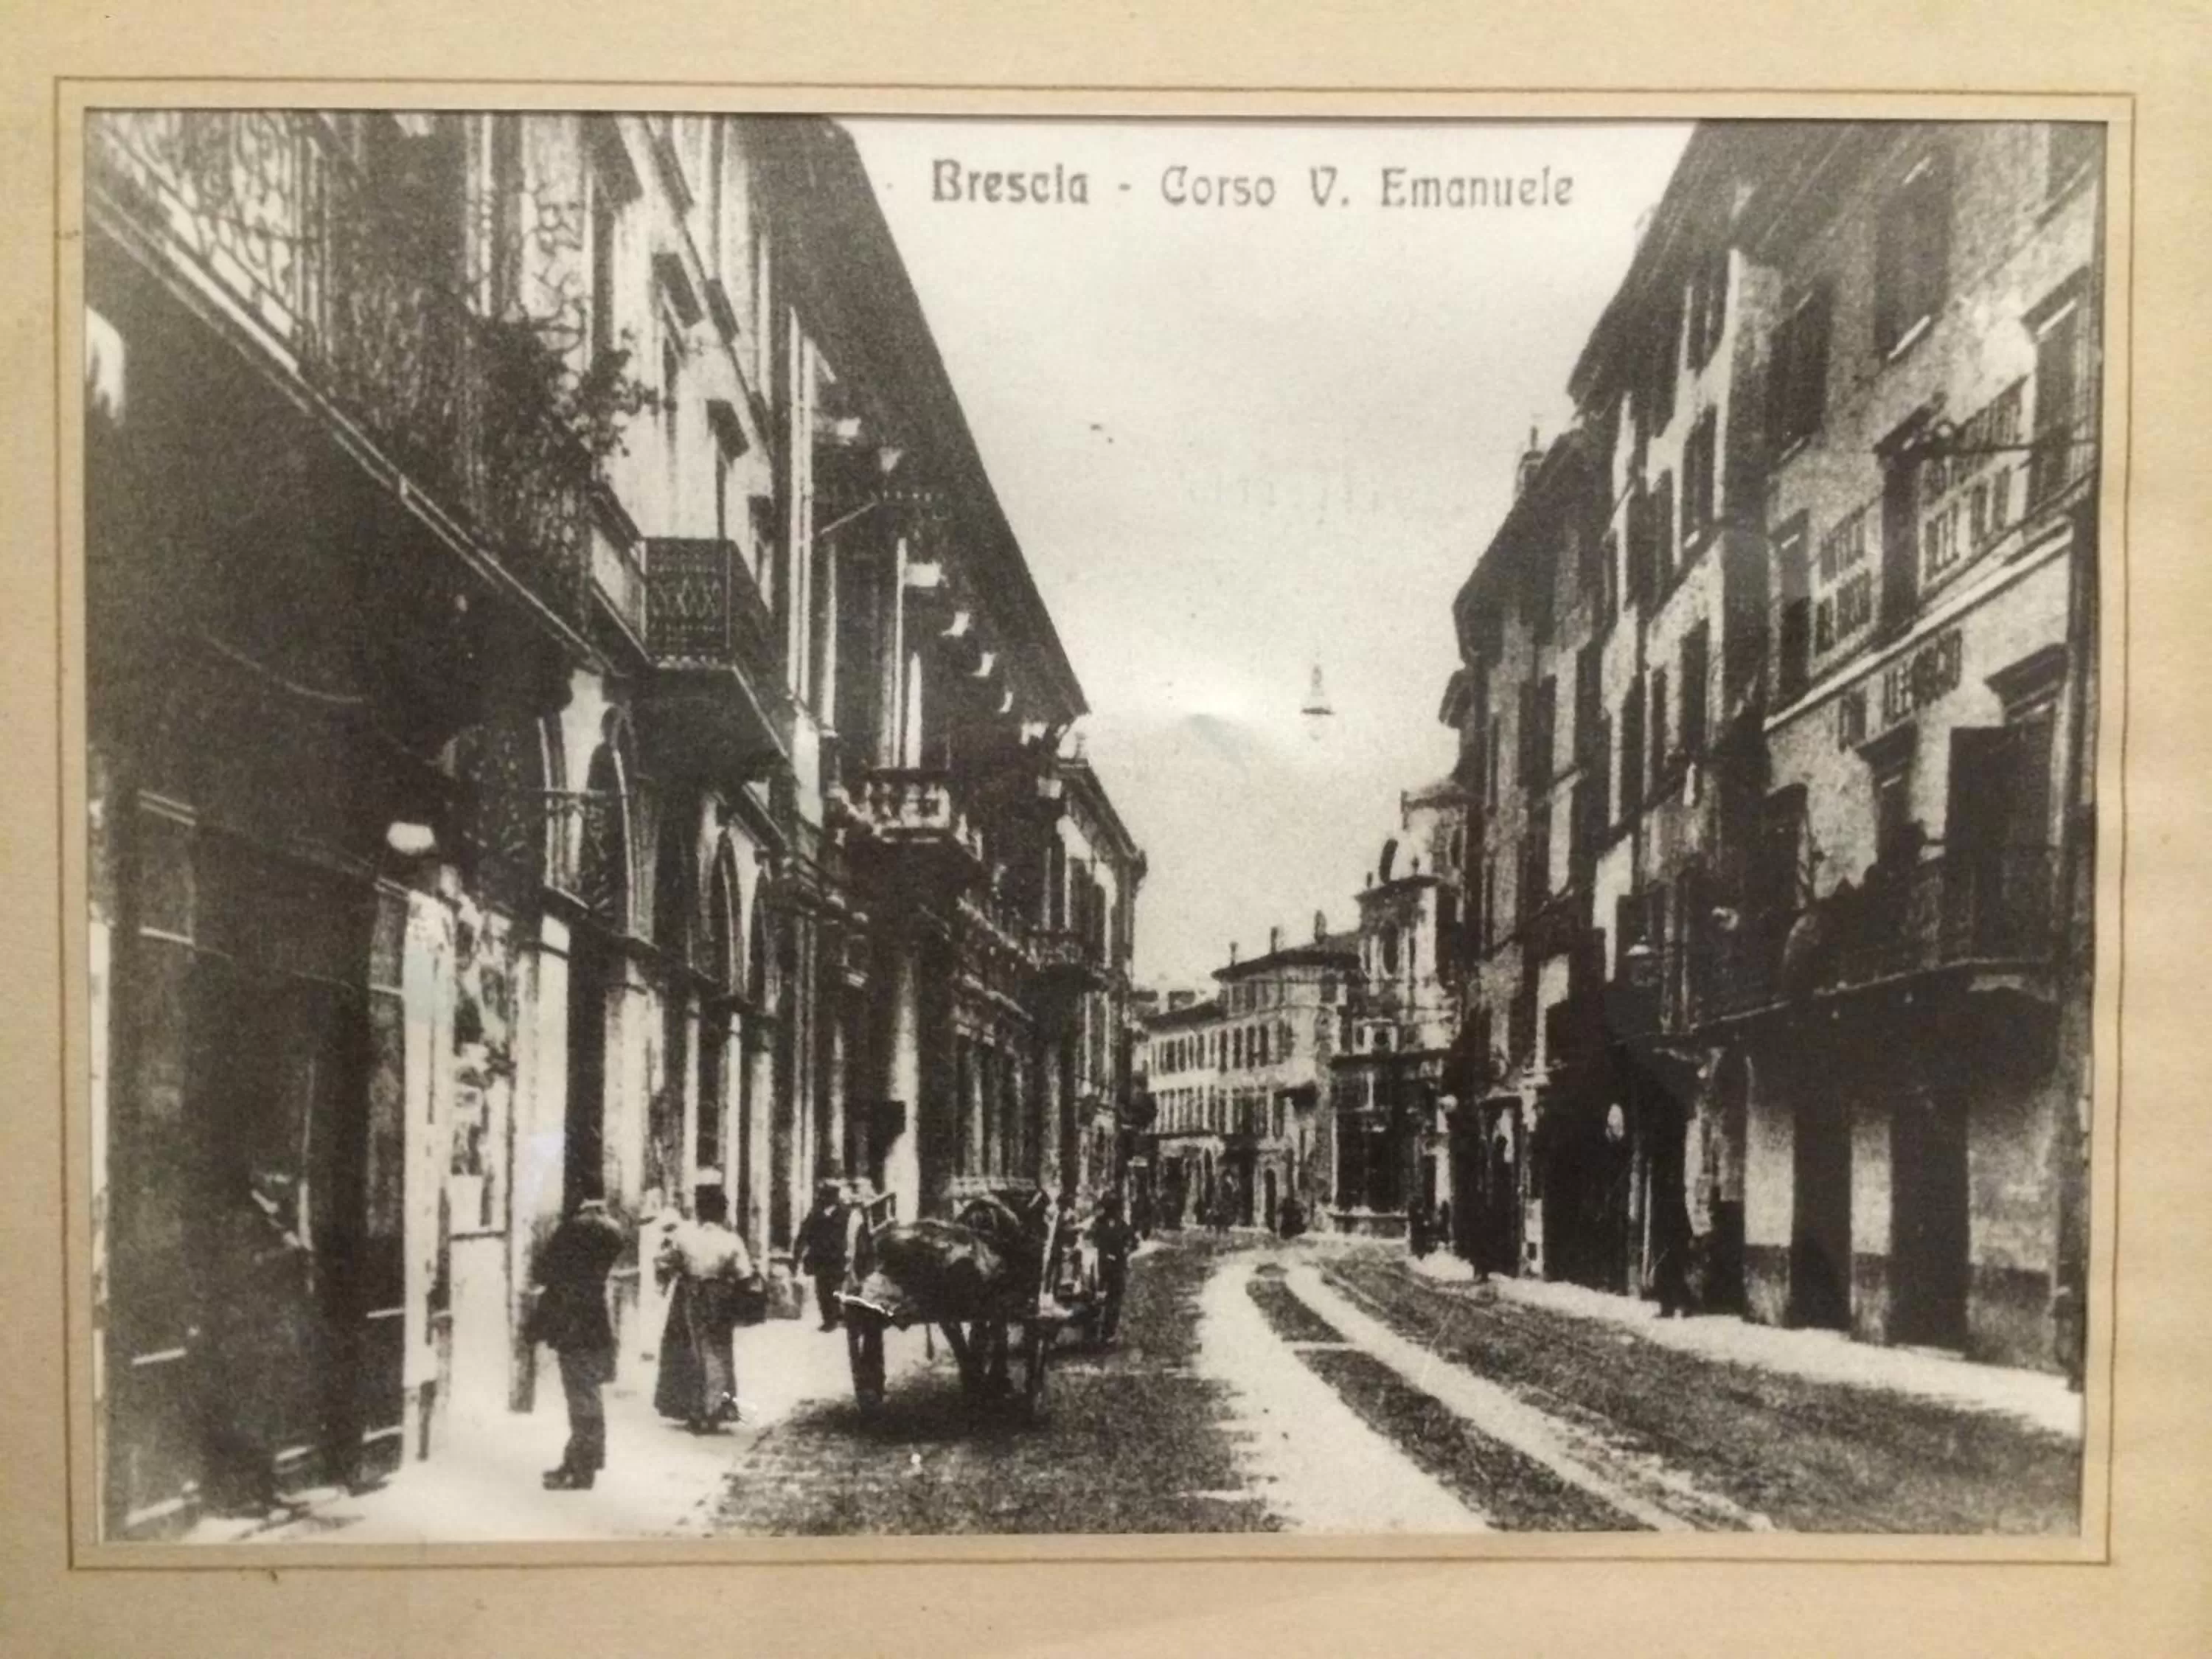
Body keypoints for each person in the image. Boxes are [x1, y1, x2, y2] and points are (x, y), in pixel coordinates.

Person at [526, 1195, 626, 1491]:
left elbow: (544, 1272)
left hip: (572, 1322)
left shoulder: (571, 1231)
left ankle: (582, 1468)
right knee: (589, 1393)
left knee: (581, 1396)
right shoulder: (613, 1232)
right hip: (596, 1320)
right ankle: (580, 1461)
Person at [653, 1183, 752, 1433]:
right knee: (718, 1352)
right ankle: (715, 1409)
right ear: (722, 1211)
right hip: (720, 1297)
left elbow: (665, 1263)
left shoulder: (684, 1236)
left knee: (690, 1352)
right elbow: (744, 1273)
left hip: (690, 1295)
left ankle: (695, 1409)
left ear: (699, 1210)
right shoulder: (731, 1239)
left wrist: (668, 1278)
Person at [793, 1179, 850, 1332]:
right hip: (820, 1257)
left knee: (835, 1287)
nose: (825, 1198)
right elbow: (804, 1233)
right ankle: (828, 1319)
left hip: (838, 1257)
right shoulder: (816, 1212)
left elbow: (850, 1234)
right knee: (822, 1288)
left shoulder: (845, 1212)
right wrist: (798, 1253)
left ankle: (835, 1316)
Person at [1088, 1193, 1136, 1343]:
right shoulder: (1119, 1225)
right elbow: (1133, 1243)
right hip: (1112, 1266)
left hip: (1107, 1265)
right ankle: (1105, 1331)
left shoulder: (1101, 1224)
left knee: (1104, 1297)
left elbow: (1132, 1243)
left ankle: (1101, 1331)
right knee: (1111, 1299)